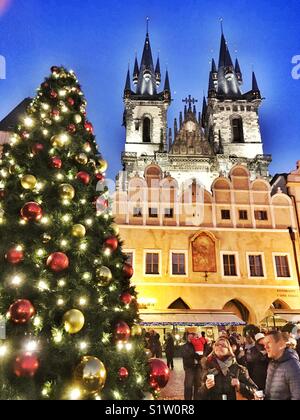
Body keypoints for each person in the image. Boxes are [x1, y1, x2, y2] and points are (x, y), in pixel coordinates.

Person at [264, 331, 300, 400]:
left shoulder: (293, 366)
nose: (265, 347)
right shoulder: (271, 364)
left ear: (280, 344)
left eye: (268, 343)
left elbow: (297, 397)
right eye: (264, 344)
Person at [181, 333, 198, 400]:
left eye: (192, 337)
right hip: (189, 367)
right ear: (187, 338)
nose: (190, 338)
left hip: (197, 367)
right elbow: (185, 355)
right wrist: (195, 354)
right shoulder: (185, 346)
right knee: (188, 385)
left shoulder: (197, 345)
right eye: (189, 337)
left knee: (197, 385)